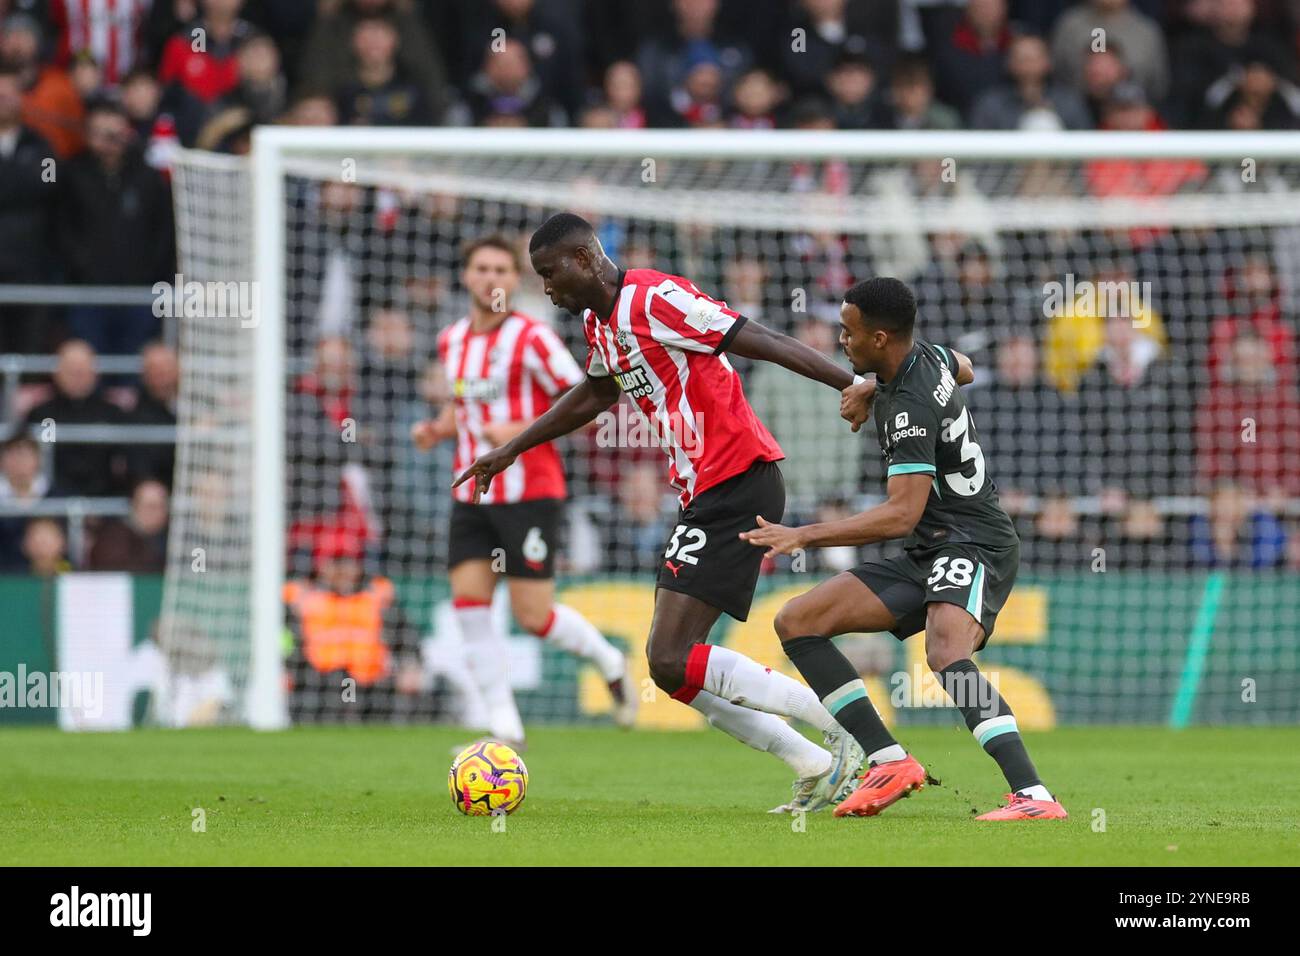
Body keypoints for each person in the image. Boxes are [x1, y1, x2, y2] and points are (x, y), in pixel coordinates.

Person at [454, 213, 876, 813]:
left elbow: (766, 340)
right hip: (704, 492)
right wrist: (512, 447)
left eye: (549, 275)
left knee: (670, 656)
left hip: (741, 479)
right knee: (671, 670)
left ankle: (844, 730)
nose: (546, 289)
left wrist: (852, 384)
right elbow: (598, 394)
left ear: (582, 260)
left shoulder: (656, 298)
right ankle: (808, 759)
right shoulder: (601, 324)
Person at [740, 277, 1067, 821]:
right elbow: (964, 365)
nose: (841, 341)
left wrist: (804, 534)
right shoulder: (925, 358)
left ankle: (1033, 796)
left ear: (881, 338)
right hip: (931, 548)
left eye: (849, 332)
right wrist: (873, 386)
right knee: (799, 620)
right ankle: (889, 760)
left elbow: (899, 514)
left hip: (974, 542)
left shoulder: (909, 409)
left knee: (945, 652)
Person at [412, 235, 636, 749]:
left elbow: (586, 400)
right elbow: (462, 404)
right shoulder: (452, 340)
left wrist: (514, 425)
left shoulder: (532, 337)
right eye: (481, 268)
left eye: (501, 270)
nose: (491, 278)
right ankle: (504, 728)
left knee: (533, 615)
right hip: (471, 494)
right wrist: (438, 428)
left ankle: (607, 659)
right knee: (470, 603)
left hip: (530, 491)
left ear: (515, 281)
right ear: (467, 277)